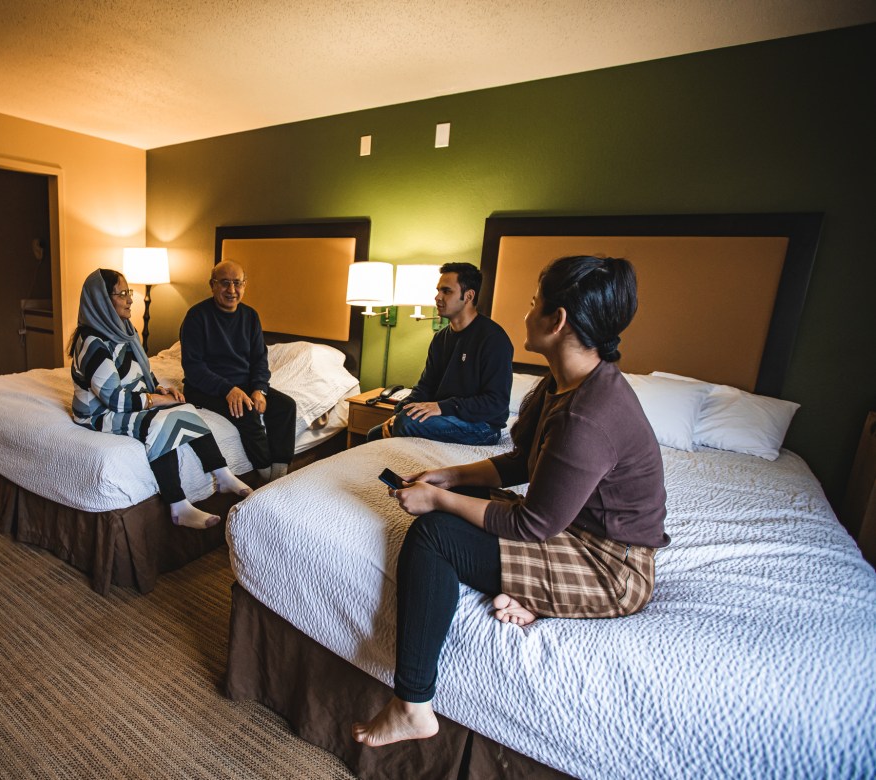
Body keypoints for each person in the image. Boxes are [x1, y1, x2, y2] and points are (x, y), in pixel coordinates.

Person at [353, 255, 669, 748]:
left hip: (610, 566)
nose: (526, 313)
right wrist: (450, 476)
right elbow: (524, 462)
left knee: (435, 535)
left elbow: (532, 524)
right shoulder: (563, 382)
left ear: (557, 320)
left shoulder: (590, 415)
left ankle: (412, 705)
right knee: (462, 496)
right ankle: (534, 594)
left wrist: (436, 501)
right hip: (569, 530)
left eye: (533, 303)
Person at [69, 268, 252, 530]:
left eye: (128, 292)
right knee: (160, 422)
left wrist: (159, 390)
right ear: (101, 300)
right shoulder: (92, 342)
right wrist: (155, 402)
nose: (130, 299)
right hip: (97, 414)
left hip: (126, 400)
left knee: (185, 407)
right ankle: (177, 505)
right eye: (122, 294)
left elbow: (141, 371)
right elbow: (114, 400)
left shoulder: (123, 329)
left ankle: (222, 474)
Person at [366, 262, 512, 446]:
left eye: (446, 291)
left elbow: (495, 401)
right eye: (438, 291)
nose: (437, 297)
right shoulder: (440, 338)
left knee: (405, 423)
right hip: (445, 416)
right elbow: (425, 387)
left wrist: (441, 407)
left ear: (468, 296)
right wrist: (398, 412)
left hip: (482, 426)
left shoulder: (493, 339)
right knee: (375, 434)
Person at [180, 260, 297, 482]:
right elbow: (193, 367)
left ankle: (279, 475)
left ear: (245, 285)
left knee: (286, 406)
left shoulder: (250, 316)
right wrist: (227, 389)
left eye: (237, 283)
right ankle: (265, 476)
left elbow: (259, 359)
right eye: (225, 283)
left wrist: (260, 389)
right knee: (246, 412)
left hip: (244, 384)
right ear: (212, 285)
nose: (232, 290)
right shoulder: (197, 316)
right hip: (204, 387)